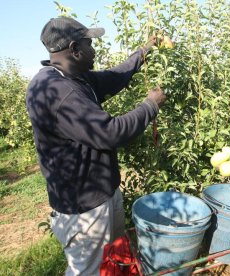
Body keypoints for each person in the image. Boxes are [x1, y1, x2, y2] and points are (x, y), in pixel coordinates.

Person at [26, 17, 166, 275]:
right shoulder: (58, 91)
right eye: (89, 44)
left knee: (114, 254)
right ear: (74, 48)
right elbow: (109, 133)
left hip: (103, 192)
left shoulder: (75, 78)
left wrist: (144, 51)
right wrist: (150, 106)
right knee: (87, 270)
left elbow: (115, 77)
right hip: (85, 207)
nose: (95, 50)